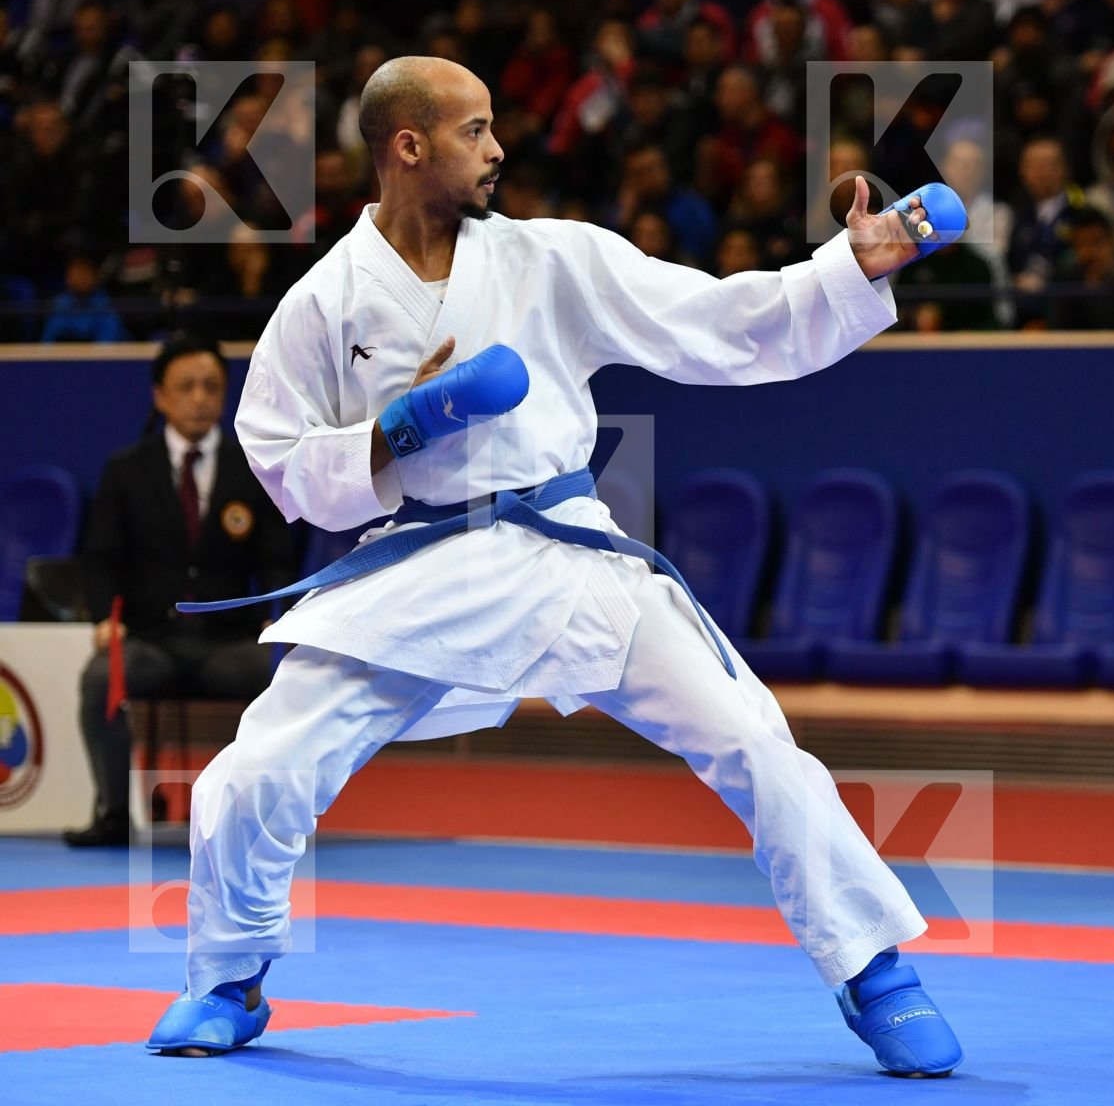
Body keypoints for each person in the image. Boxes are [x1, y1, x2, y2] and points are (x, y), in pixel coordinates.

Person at [144, 56, 968, 1079]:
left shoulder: (551, 259)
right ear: (408, 146)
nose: (498, 151)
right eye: (474, 130)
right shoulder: (323, 302)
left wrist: (851, 266)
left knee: (754, 740)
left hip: (562, 549)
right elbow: (282, 467)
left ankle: (875, 970)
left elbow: (719, 325)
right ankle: (228, 977)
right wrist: (398, 430)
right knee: (258, 768)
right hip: (414, 565)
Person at [64, 333, 293, 847]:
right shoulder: (126, 470)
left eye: (211, 386)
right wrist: (107, 619)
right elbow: (99, 558)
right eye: (185, 386)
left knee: (288, 677)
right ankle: (114, 813)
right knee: (102, 677)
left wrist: (277, 613)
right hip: (150, 639)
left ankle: (267, 820)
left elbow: (277, 557)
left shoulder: (252, 469)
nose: (198, 398)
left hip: (228, 641)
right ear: (159, 396)